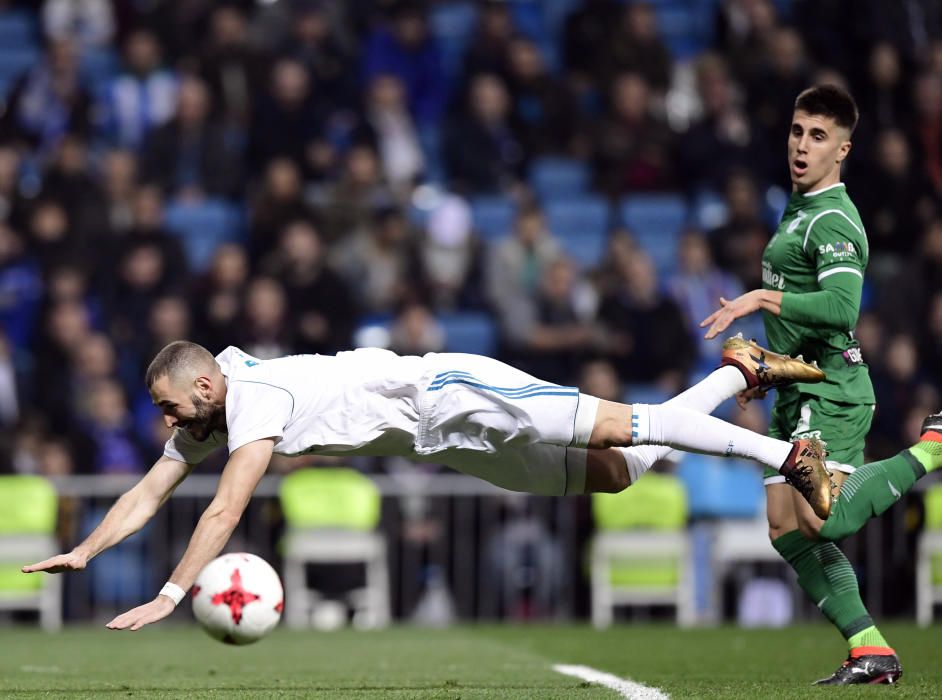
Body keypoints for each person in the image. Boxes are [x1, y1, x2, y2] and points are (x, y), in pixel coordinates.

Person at [22, 336, 833, 631]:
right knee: (616, 475)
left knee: (629, 425)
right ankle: (738, 374)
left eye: (170, 409)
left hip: (448, 389)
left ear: (201, 389)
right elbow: (149, 490)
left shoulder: (254, 402)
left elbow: (229, 504)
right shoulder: (212, 415)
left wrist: (171, 593)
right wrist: (86, 551)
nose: (167, 426)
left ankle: (786, 456)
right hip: (442, 440)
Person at [699, 84, 909, 685]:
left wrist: (761, 297)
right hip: (798, 389)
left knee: (820, 518)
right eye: (797, 131)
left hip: (833, 391)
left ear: (841, 150)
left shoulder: (835, 219)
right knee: (784, 528)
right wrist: (771, 369)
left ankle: (929, 449)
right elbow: (801, 321)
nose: (802, 145)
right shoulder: (796, 211)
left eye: (818, 136)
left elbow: (843, 308)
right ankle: (870, 650)